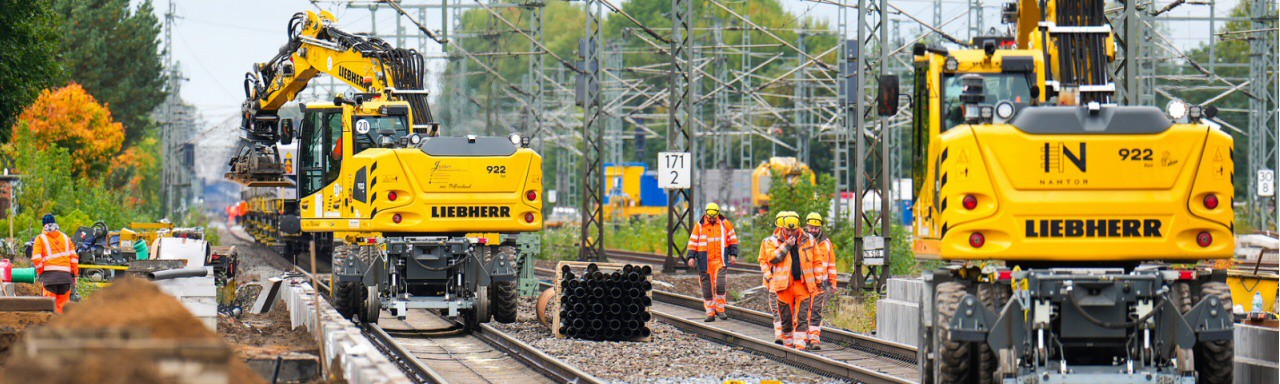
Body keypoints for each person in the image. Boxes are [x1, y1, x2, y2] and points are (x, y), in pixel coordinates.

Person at [760, 211, 821, 350]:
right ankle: (787, 345)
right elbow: (772, 258)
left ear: (798, 227)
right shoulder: (772, 241)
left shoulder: (809, 239)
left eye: (793, 230)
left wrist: (818, 280)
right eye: (788, 230)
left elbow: (817, 260)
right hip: (783, 286)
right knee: (786, 318)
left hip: (803, 285)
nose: (790, 233)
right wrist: (786, 246)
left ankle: (800, 345)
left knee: (802, 317)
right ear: (783, 227)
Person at [685, 202, 739, 322]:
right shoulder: (699, 226)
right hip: (705, 262)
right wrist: (691, 257)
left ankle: (720, 310)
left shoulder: (725, 224)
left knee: (720, 285)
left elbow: (732, 239)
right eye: (710, 218)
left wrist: (733, 254)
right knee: (707, 288)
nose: (713, 219)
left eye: (714, 217)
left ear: (718, 214)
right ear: (706, 214)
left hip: (720, 261)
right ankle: (710, 312)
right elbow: (693, 242)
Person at [31, 214, 78, 313]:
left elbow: (36, 259)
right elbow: (74, 258)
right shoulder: (66, 238)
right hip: (65, 277)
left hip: (49, 278)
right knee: (63, 308)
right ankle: (61, 326)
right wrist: (74, 275)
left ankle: (50, 325)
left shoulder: (40, 239)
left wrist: (41, 271)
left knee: (49, 308)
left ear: (43, 225)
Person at [804, 212, 838, 350]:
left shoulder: (827, 243)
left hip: (820, 284)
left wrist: (833, 282)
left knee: (816, 311)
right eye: (811, 227)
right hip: (804, 282)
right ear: (806, 226)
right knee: (803, 311)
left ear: (820, 228)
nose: (813, 230)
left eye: (816, 228)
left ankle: (814, 338)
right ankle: (803, 337)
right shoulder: (800, 240)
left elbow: (831, 264)